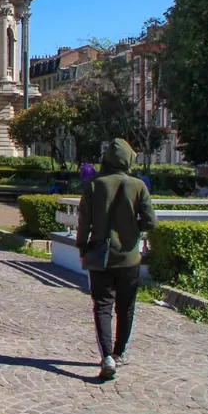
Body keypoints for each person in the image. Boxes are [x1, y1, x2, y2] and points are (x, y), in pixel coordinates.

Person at [77, 138, 157, 381]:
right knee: (126, 306)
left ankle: (107, 356)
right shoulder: (138, 186)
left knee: (102, 306)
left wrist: (82, 249)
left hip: (100, 256)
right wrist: (134, 228)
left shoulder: (94, 185)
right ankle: (120, 352)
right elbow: (151, 222)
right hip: (129, 257)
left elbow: (84, 223)